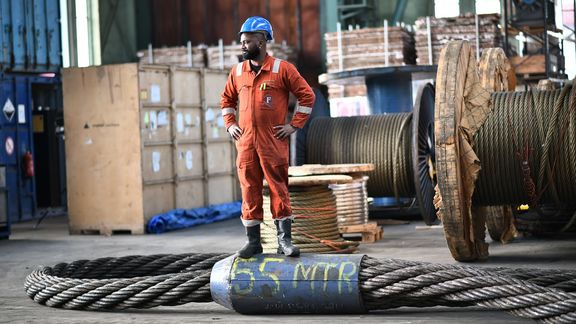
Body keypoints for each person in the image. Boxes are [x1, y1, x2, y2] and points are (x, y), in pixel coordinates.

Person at [220, 16, 315, 258]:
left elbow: (307, 96)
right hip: (246, 143)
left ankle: (284, 241)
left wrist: (294, 126)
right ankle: (253, 243)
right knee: (249, 189)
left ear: (261, 42)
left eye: (247, 41)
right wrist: (230, 124)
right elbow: (226, 100)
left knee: (278, 189)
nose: (242, 46)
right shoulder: (238, 72)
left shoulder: (282, 69)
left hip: (272, 142)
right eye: (242, 41)